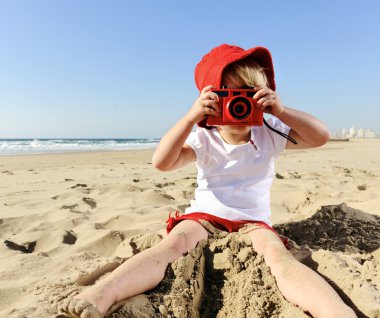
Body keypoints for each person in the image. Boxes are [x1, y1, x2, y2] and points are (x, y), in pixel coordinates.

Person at [58, 44, 356, 318]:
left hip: (253, 221)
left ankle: (333, 310)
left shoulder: (271, 130)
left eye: (249, 95)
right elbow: (162, 162)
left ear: (264, 96)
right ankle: (102, 294)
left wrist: (280, 110)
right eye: (230, 96)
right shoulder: (204, 135)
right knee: (172, 246)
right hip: (204, 217)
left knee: (279, 258)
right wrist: (190, 118)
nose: (239, 105)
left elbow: (321, 136)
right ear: (211, 102)